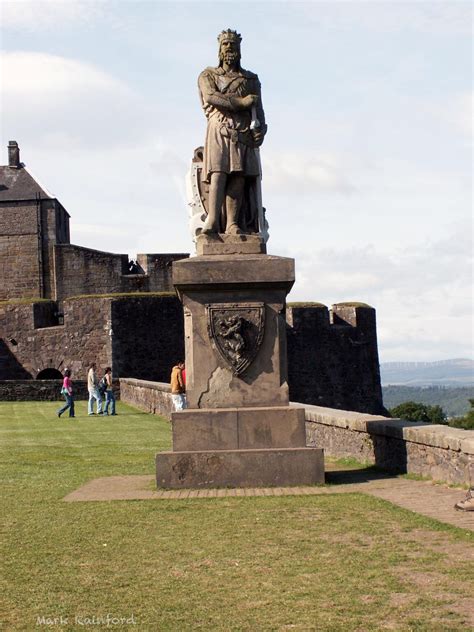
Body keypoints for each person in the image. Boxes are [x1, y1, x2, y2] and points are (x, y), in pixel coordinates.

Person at [198, 29, 267, 235]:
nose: (229, 48)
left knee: (238, 176)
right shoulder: (208, 75)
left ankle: (233, 223)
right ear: (219, 49)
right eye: (225, 45)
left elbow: (260, 112)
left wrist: (261, 130)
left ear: (239, 50)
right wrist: (242, 102)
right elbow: (211, 97)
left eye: (233, 45)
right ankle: (212, 220)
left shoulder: (251, 80)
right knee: (218, 173)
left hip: (243, 132)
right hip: (219, 128)